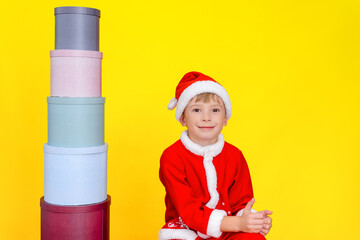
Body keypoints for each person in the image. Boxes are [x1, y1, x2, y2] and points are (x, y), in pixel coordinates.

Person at [158, 72, 273, 240]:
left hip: (228, 228)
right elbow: (189, 212)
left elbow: (242, 202)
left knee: (254, 238)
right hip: (186, 229)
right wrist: (239, 223)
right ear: (183, 118)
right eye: (197, 110)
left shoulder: (235, 155)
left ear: (225, 118)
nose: (206, 118)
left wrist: (254, 221)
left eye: (215, 110)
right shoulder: (172, 156)